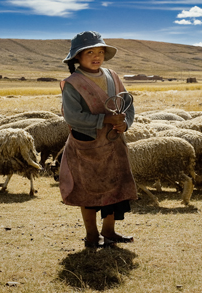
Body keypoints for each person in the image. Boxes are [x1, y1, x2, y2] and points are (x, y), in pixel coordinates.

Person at [59, 31, 137, 248]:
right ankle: (92, 236)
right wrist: (105, 119)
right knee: (89, 191)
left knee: (115, 188)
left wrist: (125, 123)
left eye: (100, 51)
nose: (97, 56)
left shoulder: (113, 76)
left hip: (113, 144)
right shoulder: (73, 83)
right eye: (90, 52)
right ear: (77, 57)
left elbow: (127, 103)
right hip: (87, 146)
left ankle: (109, 232)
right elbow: (73, 117)